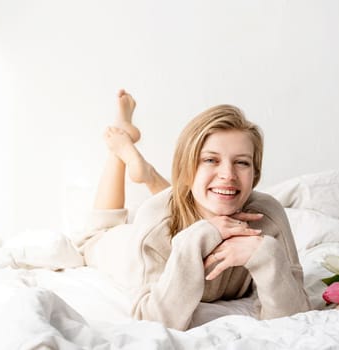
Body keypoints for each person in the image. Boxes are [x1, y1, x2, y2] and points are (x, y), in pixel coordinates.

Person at [73, 89, 310, 331]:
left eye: (242, 162)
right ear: (187, 165)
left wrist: (266, 256)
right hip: (124, 250)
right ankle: (120, 143)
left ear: (255, 173)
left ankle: (149, 174)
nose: (229, 174)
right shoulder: (155, 222)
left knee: (198, 194)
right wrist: (198, 236)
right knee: (97, 234)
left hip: (185, 202)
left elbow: (297, 316)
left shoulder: (268, 215)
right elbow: (153, 323)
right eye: (210, 160)